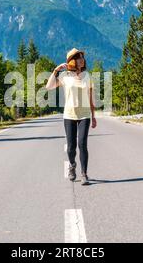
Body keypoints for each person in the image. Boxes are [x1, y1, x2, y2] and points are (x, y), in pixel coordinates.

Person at [46, 48, 97, 186]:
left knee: (82, 144)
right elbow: (49, 86)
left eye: (82, 57)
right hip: (69, 115)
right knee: (71, 147)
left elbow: (91, 98)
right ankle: (72, 165)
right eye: (79, 57)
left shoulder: (88, 76)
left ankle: (84, 174)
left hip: (84, 115)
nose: (82, 59)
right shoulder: (65, 76)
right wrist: (56, 70)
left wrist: (93, 116)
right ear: (73, 60)